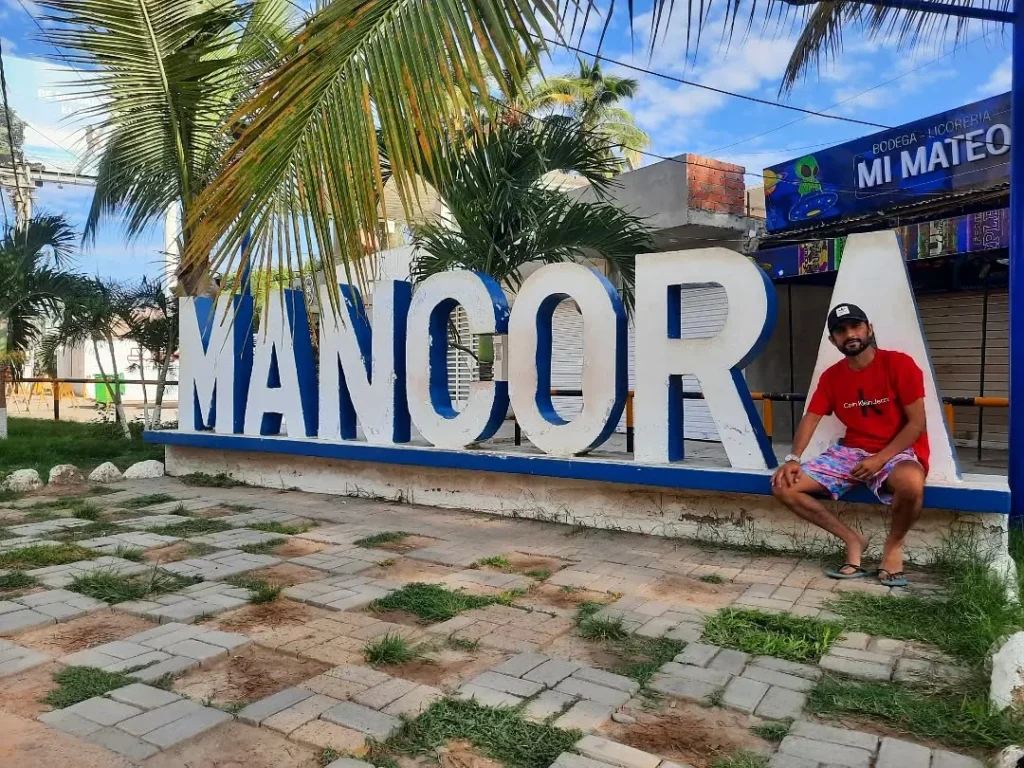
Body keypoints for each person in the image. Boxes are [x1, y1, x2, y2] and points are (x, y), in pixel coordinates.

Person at [771, 303, 927, 587]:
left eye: (856, 326)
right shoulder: (832, 376)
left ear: (869, 329)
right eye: (841, 331)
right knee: (784, 484)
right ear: (833, 340)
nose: (850, 334)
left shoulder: (899, 364)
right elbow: (811, 417)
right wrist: (793, 457)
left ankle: (893, 547)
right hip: (851, 452)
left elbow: (916, 424)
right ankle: (853, 540)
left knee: (911, 483)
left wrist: (880, 459)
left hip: (895, 450)